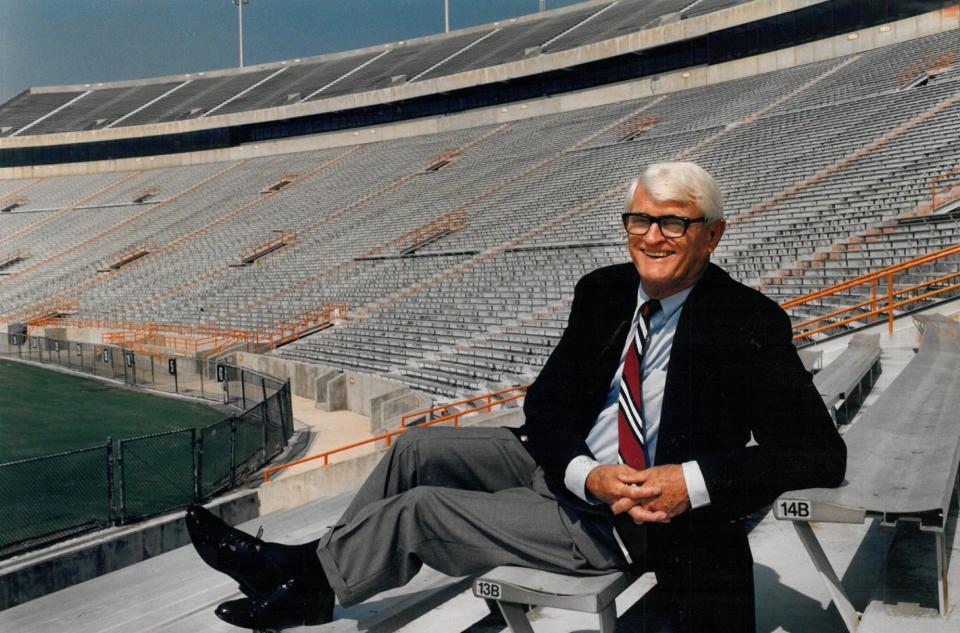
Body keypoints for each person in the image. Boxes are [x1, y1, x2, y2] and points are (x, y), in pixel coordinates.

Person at [186, 161, 846, 632]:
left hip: (622, 521)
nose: (651, 236)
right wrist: (585, 470)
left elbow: (819, 454)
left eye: (674, 222)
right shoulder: (605, 291)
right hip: (568, 470)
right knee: (416, 447)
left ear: (713, 233)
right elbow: (548, 405)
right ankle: (309, 573)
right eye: (639, 219)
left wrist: (688, 482)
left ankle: (302, 582)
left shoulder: (746, 320)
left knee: (419, 511)